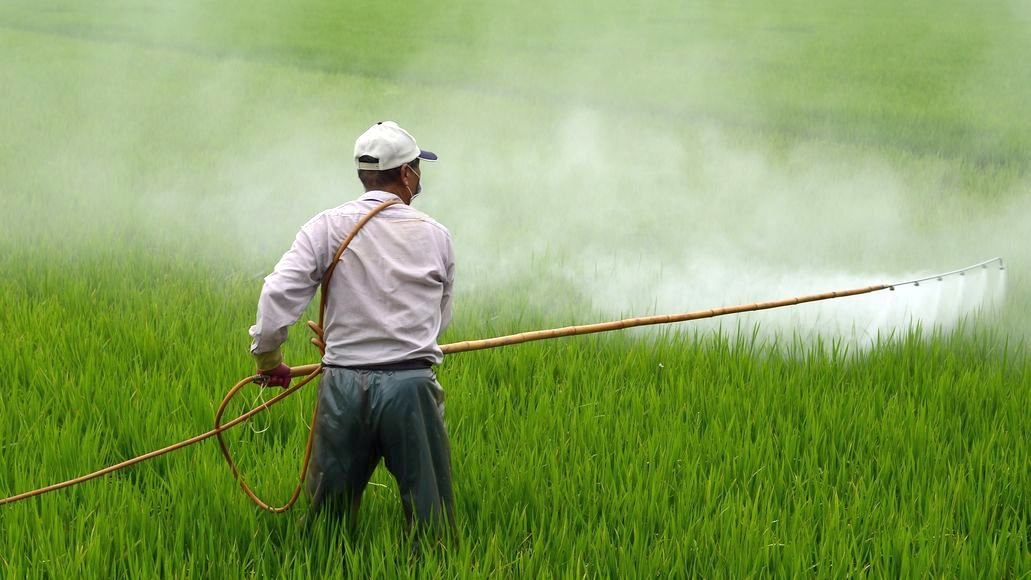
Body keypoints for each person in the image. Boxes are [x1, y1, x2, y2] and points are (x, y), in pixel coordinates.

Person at [247, 121, 456, 537]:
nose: (419, 176)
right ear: (405, 173)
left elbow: (277, 293)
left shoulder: (326, 226)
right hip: (410, 386)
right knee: (432, 520)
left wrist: (270, 360)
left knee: (329, 522)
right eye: (417, 167)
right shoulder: (435, 236)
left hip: (342, 385)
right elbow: (439, 318)